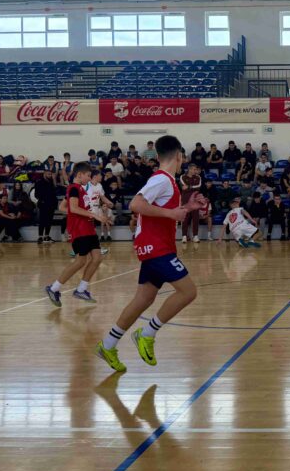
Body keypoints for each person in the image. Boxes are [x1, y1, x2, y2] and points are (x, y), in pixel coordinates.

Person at [96, 135, 199, 373]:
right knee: (188, 292)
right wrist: (172, 214)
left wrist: (185, 209)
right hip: (156, 247)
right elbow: (136, 205)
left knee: (143, 299)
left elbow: (160, 210)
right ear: (179, 156)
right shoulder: (162, 179)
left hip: (154, 246)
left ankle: (108, 344)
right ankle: (147, 333)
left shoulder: (167, 181)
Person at [45, 163, 112, 306]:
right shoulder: (74, 188)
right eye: (88, 176)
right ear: (79, 175)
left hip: (88, 228)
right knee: (80, 261)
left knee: (97, 258)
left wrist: (91, 214)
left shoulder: (80, 189)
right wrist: (94, 215)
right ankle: (54, 288)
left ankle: (81, 289)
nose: (89, 178)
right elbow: (73, 208)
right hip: (79, 229)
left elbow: (63, 207)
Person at [32, 170, 58, 243]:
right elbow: (36, 194)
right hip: (43, 204)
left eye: (50, 174)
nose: (50, 175)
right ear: (44, 174)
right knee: (42, 221)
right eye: (48, 174)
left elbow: (54, 192)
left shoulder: (51, 182)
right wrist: (42, 200)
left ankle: (47, 236)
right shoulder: (39, 182)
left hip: (51, 205)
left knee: (49, 221)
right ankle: (40, 237)